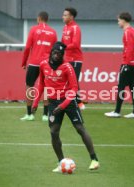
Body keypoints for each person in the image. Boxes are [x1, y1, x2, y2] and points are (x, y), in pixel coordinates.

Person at [32, 42, 99, 172]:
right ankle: (61, 162)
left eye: (60, 54)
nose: (57, 56)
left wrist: (63, 105)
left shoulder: (67, 67)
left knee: (80, 128)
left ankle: (94, 159)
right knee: (53, 132)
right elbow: (41, 84)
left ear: (63, 55)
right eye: (55, 53)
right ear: (51, 52)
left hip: (68, 102)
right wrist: (35, 103)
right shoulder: (43, 65)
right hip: (53, 103)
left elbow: (74, 89)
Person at [21, 11, 57, 121]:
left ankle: (29, 114)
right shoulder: (53, 32)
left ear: (39, 18)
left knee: (29, 86)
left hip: (33, 63)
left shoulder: (33, 29)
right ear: (47, 19)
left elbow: (27, 48)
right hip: (47, 64)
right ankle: (45, 115)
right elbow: (55, 51)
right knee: (46, 88)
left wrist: (23, 62)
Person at [105, 12, 134, 118]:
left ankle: (117, 111)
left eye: (119, 21)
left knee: (121, 87)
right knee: (133, 87)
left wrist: (126, 64)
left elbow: (129, 49)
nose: (118, 23)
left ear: (123, 20)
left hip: (129, 64)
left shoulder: (127, 32)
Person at [61, 7, 85, 110]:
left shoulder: (75, 28)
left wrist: (64, 47)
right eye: (63, 14)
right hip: (67, 59)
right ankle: (73, 101)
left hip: (75, 59)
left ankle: (79, 103)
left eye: (65, 15)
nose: (63, 16)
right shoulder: (65, 27)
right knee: (68, 81)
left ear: (71, 17)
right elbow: (63, 42)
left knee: (73, 82)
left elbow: (75, 44)